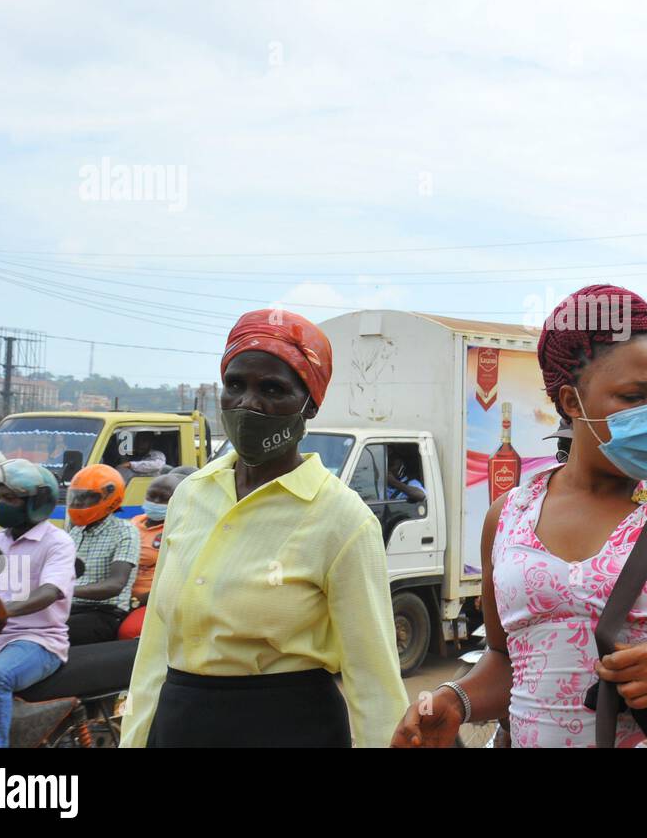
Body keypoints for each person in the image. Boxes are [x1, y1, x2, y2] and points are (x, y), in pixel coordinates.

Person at [392, 283, 647, 748]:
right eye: (634, 396)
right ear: (570, 402)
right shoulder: (507, 519)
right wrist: (455, 699)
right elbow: (506, 661)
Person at [121, 308, 407, 748]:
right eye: (235, 385)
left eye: (272, 389)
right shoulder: (190, 496)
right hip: (179, 727)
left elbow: (374, 680)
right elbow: (155, 650)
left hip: (287, 730)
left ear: (309, 403)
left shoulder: (342, 519)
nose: (248, 404)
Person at [0, 459, 76, 748]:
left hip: (37, 641)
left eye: (9, 497)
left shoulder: (57, 542)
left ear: (36, 502)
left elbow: (51, 591)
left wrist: (7, 609)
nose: (0, 503)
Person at [66, 464, 139, 645]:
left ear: (109, 498)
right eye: (75, 498)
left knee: (53, 632)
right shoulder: (75, 530)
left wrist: (64, 591)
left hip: (105, 612)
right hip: (69, 607)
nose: (77, 504)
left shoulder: (125, 531)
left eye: (85, 499)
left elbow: (115, 584)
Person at [131, 473, 181, 607]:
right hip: (121, 597)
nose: (156, 502)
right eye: (151, 496)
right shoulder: (134, 523)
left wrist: (138, 601)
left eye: (163, 498)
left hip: (151, 601)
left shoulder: (177, 530)